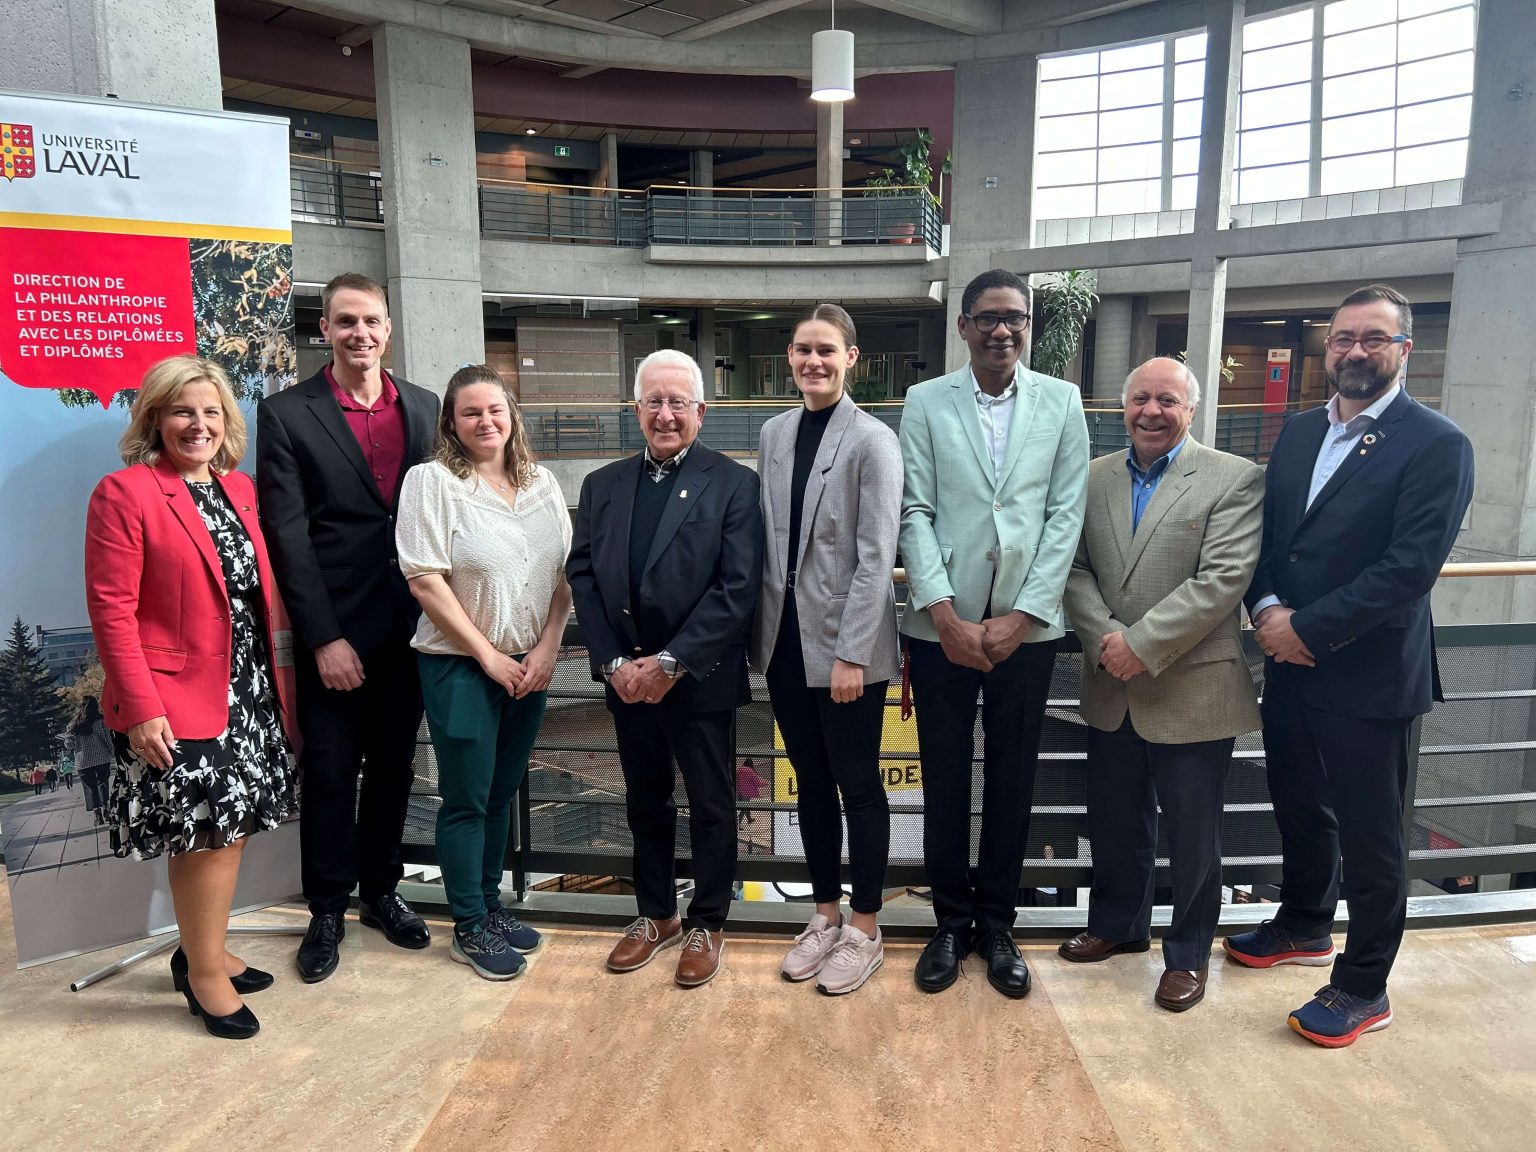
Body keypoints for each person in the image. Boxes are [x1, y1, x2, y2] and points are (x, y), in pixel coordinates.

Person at [1227, 284, 1475, 1047]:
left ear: (1405, 349)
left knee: (1372, 839)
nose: (1355, 351)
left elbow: (1410, 568)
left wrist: (1309, 630)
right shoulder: (1299, 434)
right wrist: (1268, 613)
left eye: (1374, 338)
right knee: (1298, 804)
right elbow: (1272, 542)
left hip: (1368, 677)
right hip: (1290, 665)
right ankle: (1304, 921)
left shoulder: (1437, 443)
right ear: (1326, 348)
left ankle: (1365, 984)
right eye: (1342, 339)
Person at [84, 355, 297, 1039]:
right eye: (182, 411)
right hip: (177, 698)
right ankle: (203, 975)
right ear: (154, 419)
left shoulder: (239, 490)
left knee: (229, 832)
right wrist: (142, 707)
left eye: (210, 411)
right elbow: (111, 610)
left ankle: (202, 950)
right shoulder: (125, 492)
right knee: (207, 837)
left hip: (250, 691)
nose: (198, 424)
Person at [899, 268, 1089, 998]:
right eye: (987, 318)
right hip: (938, 627)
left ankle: (998, 922)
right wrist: (943, 611)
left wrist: (1024, 615)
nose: (1001, 330)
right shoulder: (924, 401)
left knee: (1014, 780)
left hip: (1028, 629)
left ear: (1028, 324)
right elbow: (914, 510)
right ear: (964, 326)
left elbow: (1063, 515)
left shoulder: (1063, 401)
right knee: (943, 778)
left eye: (1014, 317)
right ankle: (949, 922)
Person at [1060, 357, 1264, 1012]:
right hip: (1110, 682)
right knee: (1117, 822)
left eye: (1168, 400)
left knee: (1193, 834)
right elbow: (1074, 567)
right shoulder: (1091, 480)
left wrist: (1141, 646)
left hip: (1191, 687)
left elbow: (1223, 580)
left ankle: (1187, 956)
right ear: (1123, 407)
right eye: (1141, 399)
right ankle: (1120, 926)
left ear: (1191, 410)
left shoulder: (1234, 479)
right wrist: (1105, 640)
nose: (1152, 411)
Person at [257, 272, 441, 983]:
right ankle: (327, 907)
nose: (359, 333)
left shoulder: (424, 407)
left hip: (412, 628)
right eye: (344, 322)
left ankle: (382, 893)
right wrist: (323, 637)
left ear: (388, 328)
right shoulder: (287, 413)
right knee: (332, 773)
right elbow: (288, 534)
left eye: (371, 321)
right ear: (324, 330)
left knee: (395, 768)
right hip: (333, 631)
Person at [567, 349, 762, 988]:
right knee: (645, 803)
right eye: (654, 401)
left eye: (678, 402)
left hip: (697, 679)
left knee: (710, 804)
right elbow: (584, 577)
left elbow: (737, 587)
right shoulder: (602, 485)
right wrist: (615, 663)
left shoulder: (734, 483)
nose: (666, 413)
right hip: (627, 680)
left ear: (701, 411)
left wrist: (671, 663)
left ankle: (707, 919)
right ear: (636, 410)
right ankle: (655, 914)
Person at [396, 365, 572, 981]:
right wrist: (487, 656)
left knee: (501, 794)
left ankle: (492, 908)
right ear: (451, 421)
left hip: (530, 666)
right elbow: (424, 578)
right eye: (470, 412)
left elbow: (564, 576)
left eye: (495, 410)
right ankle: (468, 925)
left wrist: (548, 648)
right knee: (467, 800)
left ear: (512, 415)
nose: (485, 421)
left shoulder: (543, 483)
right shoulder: (433, 481)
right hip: (461, 667)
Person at [751, 304, 902, 996]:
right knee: (810, 784)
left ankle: (865, 928)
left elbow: (877, 558)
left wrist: (849, 653)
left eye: (827, 351)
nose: (814, 361)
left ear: (851, 358)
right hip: (783, 639)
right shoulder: (774, 433)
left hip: (846, 651)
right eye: (804, 350)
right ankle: (823, 914)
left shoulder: (873, 441)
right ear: (790, 355)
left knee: (859, 784)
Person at [68, 696, 114, 821]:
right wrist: (112, 752)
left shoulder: (74, 724)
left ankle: (97, 812)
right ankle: (106, 808)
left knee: (90, 787)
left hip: (82, 761)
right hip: (101, 758)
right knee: (103, 783)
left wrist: (72, 740)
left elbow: (69, 744)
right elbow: (108, 738)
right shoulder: (101, 721)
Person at [736, 759, 764, 827]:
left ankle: (749, 819)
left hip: (738, 792)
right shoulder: (750, 771)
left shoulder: (739, 769)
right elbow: (758, 783)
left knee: (745, 807)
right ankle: (737, 824)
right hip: (746, 792)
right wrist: (766, 783)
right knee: (744, 809)